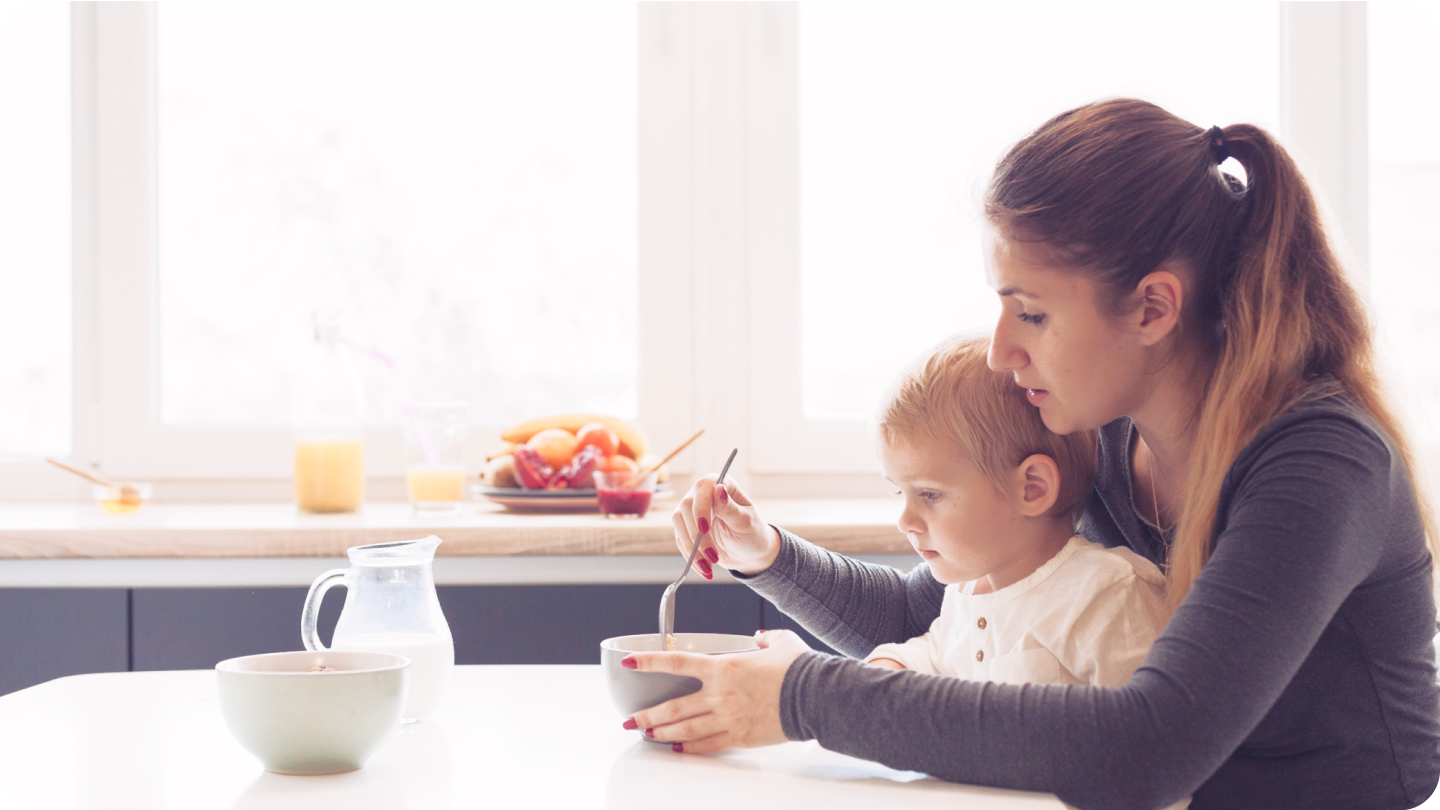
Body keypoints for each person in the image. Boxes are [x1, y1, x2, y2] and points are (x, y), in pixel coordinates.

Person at [621, 99, 1440, 810]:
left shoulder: (1321, 465)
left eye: (1033, 314)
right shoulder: (1111, 441)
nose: (1000, 351)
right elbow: (937, 616)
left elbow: (1150, 746)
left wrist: (803, 698)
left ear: (1153, 307)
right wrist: (765, 557)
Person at [857, 334, 1171, 688]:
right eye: (899, 491)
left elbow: (1151, 727)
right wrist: (891, 663)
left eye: (929, 494)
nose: (905, 522)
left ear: (1031, 488)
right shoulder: (967, 591)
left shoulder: (1108, 595)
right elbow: (938, 653)